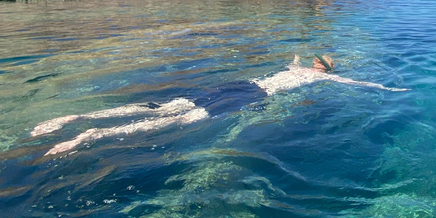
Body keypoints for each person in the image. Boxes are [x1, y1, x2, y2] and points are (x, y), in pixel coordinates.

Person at [31, 55, 408, 156]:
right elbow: (350, 81)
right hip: (250, 93)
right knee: (179, 117)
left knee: (168, 108)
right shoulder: (316, 75)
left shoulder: (306, 71)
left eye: (317, 60)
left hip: (246, 85)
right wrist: (386, 90)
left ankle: (82, 122)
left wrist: (382, 88)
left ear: (319, 66)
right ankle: (89, 131)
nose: (314, 63)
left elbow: (352, 80)